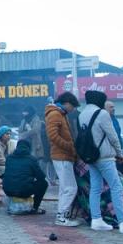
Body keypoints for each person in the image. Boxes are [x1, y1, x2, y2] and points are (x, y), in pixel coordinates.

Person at [79, 90, 123, 234]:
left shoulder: (82, 114)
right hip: (104, 157)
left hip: (90, 157)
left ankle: (96, 220)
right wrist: (119, 153)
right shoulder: (102, 114)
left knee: (95, 188)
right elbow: (113, 136)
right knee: (117, 187)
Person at [45, 91, 82, 226]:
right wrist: (70, 146)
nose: (73, 110)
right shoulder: (55, 114)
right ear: (67, 103)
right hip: (62, 156)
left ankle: (62, 215)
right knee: (71, 188)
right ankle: (61, 217)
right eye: (72, 106)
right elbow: (53, 136)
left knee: (64, 188)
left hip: (63, 156)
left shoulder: (60, 114)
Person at [2, 139, 48, 213]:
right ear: (29, 148)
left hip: (8, 190)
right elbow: (41, 177)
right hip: (24, 191)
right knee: (44, 184)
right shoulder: (31, 159)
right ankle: (35, 208)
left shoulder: (9, 158)